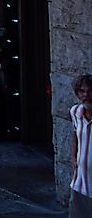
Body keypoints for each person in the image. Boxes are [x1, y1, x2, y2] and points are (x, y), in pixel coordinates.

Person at [71, 73, 92, 218]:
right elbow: (75, 133)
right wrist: (73, 157)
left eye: (90, 91)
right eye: (82, 91)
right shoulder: (75, 112)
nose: (86, 95)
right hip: (79, 183)